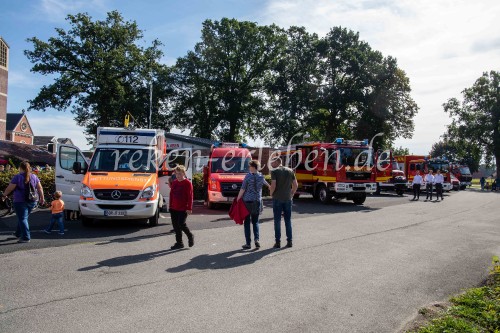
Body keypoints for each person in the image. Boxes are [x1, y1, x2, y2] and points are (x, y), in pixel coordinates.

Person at [1, 161, 44, 243]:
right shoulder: (34, 176)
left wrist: (4, 195)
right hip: (33, 200)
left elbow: (10, 188)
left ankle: (26, 237)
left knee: (23, 218)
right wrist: (42, 198)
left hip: (20, 201)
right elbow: (40, 188)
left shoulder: (17, 177)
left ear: (20, 168)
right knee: (23, 217)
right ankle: (18, 233)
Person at [236, 160, 270, 250]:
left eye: (249, 166)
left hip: (247, 201)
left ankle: (248, 243)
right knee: (255, 221)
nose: (248, 167)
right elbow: (268, 185)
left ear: (253, 167)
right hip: (256, 201)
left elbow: (243, 189)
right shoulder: (261, 176)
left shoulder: (247, 176)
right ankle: (257, 239)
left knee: (247, 222)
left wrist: (238, 198)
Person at [270, 156, 298, 248]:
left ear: (277, 162)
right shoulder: (290, 170)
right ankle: (289, 241)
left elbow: (273, 185)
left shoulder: (274, 171)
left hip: (277, 198)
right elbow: (295, 184)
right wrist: (292, 193)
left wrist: (271, 193)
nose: (271, 164)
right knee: (288, 220)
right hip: (288, 198)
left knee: (277, 221)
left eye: (272, 162)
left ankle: (278, 242)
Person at [169, 165, 194, 249]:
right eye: (176, 174)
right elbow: (171, 194)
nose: (178, 176)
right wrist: (170, 205)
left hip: (183, 208)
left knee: (181, 224)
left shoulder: (188, 183)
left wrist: (189, 208)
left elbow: (190, 196)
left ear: (183, 173)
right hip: (174, 208)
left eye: (179, 174)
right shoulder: (175, 182)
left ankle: (190, 236)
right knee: (175, 226)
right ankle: (179, 243)